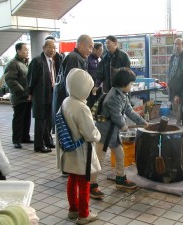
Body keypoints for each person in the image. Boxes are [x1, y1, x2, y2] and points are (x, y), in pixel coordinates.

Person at [90, 68, 148, 199]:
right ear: (124, 83)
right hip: (104, 133)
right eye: (131, 84)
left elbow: (129, 111)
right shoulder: (113, 96)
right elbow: (116, 116)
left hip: (113, 133)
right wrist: (124, 126)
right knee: (98, 160)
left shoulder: (123, 94)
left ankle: (120, 179)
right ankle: (91, 185)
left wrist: (143, 122)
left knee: (120, 155)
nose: (131, 86)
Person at [57, 68, 101, 224]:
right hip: (82, 153)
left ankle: (73, 210)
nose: (89, 92)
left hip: (69, 151)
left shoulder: (66, 101)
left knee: (72, 180)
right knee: (84, 183)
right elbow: (90, 134)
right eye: (88, 89)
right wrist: (98, 135)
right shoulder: (82, 107)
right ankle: (84, 214)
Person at [53, 34, 94, 125]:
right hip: (70, 107)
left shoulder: (76, 57)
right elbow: (74, 87)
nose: (91, 51)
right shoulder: (74, 58)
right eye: (90, 47)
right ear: (80, 44)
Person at [27, 39, 56, 153]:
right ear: (44, 48)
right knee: (40, 121)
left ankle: (47, 141)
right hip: (40, 95)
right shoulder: (37, 61)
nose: (52, 50)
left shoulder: (51, 61)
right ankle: (39, 145)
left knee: (47, 120)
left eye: (54, 47)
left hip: (50, 95)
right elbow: (31, 79)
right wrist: (29, 93)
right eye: (50, 47)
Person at [4, 42, 33, 149]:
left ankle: (25, 137)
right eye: (25, 49)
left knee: (26, 117)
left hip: (27, 96)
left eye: (27, 49)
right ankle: (16, 140)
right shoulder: (13, 63)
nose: (27, 51)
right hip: (19, 97)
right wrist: (22, 92)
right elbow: (10, 80)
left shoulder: (25, 63)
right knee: (18, 118)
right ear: (18, 51)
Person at [167, 38, 183, 125]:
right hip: (172, 86)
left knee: (180, 108)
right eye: (175, 44)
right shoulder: (173, 56)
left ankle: (181, 127)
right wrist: (168, 82)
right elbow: (170, 71)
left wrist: (179, 93)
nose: (177, 46)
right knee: (175, 108)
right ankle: (178, 124)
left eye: (179, 44)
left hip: (181, 87)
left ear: (182, 45)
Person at [87, 42, 104, 108]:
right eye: (100, 50)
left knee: (98, 106)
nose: (101, 52)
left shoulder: (98, 60)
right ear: (94, 49)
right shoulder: (88, 59)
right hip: (91, 88)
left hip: (98, 87)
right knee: (91, 106)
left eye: (102, 51)